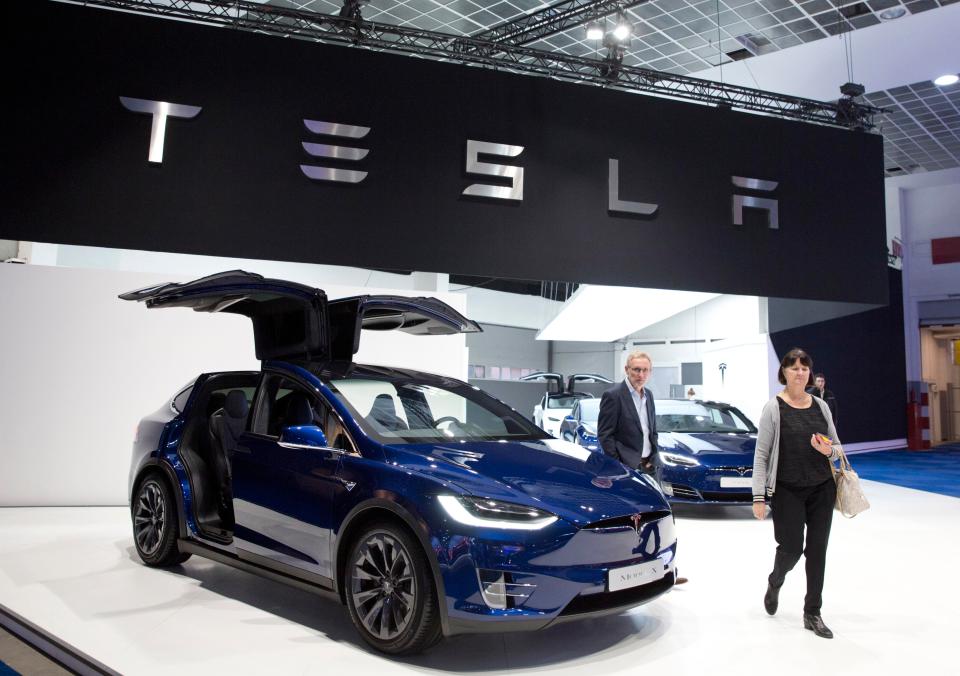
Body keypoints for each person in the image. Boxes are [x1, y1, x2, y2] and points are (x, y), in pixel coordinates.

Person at [752, 348, 841, 639]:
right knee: (791, 549)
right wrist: (758, 497)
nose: (800, 372)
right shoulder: (773, 408)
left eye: (805, 368)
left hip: (821, 489)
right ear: (784, 373)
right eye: (794, 368)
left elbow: (837, 448)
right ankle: (775, 581)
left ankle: (812, 612)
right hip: (787, 490)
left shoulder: (821, 406)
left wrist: (828, 450)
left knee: (817, 552)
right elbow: (761, 454)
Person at [598, 350, 688, 584]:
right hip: (626, 470)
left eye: (645, 370)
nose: (640, 374)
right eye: (636, 369)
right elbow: (605, 435)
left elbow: (651, 430)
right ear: (627, 370)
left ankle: (666, 567)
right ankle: (626, 572)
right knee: (629, 523)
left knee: (660, 519)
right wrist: (618, 465)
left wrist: (654, 455)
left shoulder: (648, 395)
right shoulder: (613, 395)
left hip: (649, 466)